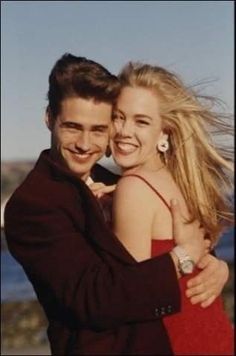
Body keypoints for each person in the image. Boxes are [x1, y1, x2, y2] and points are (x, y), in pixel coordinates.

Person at [4, 53, 229, 355]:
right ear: (49, 119)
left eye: (99, 129)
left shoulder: (120, 184)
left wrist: (215, 265)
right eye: (72, 126)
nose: (85, 144)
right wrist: (184, 258)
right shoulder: (33, 204)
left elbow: (175, 241)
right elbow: (97, 300)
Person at [107, 61, 234, 355]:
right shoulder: (184, 182)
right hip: (217, 339)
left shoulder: (133, 188)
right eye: (118, 117)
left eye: (141, 121)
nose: (124, 131)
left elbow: (134, 300)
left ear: (164, 132)